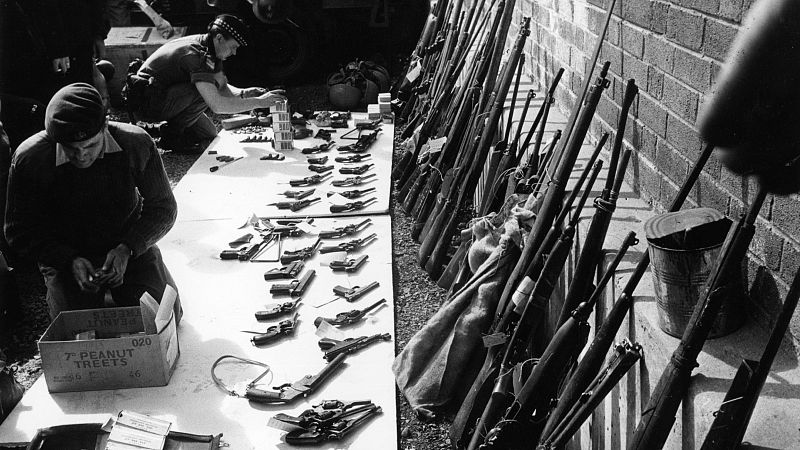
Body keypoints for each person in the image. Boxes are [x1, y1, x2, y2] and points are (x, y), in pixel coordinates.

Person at [4, 83, 182, 321]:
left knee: (164, 317)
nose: (81, 156)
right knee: (74, 329)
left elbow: (163, 208)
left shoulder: (135, 143)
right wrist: (66, 259)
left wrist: (129, 247)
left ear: (105, 126)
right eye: (70, 149)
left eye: (90, 145)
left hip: (126, 243)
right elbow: (17, 230)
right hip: (65, 252)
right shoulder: (30, 158)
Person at [129, 13, 286, 152]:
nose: (234, 52)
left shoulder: (210, 47)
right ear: (220, 38)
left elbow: (222, 87)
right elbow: (217, 104)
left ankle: (155, 130)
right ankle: (171, 136)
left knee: (209, 134)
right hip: (145, 103)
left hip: (162, 96)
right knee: (203, 90)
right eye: (233, 47)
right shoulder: (196, 55)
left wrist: (245, 93)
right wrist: (259, 102)